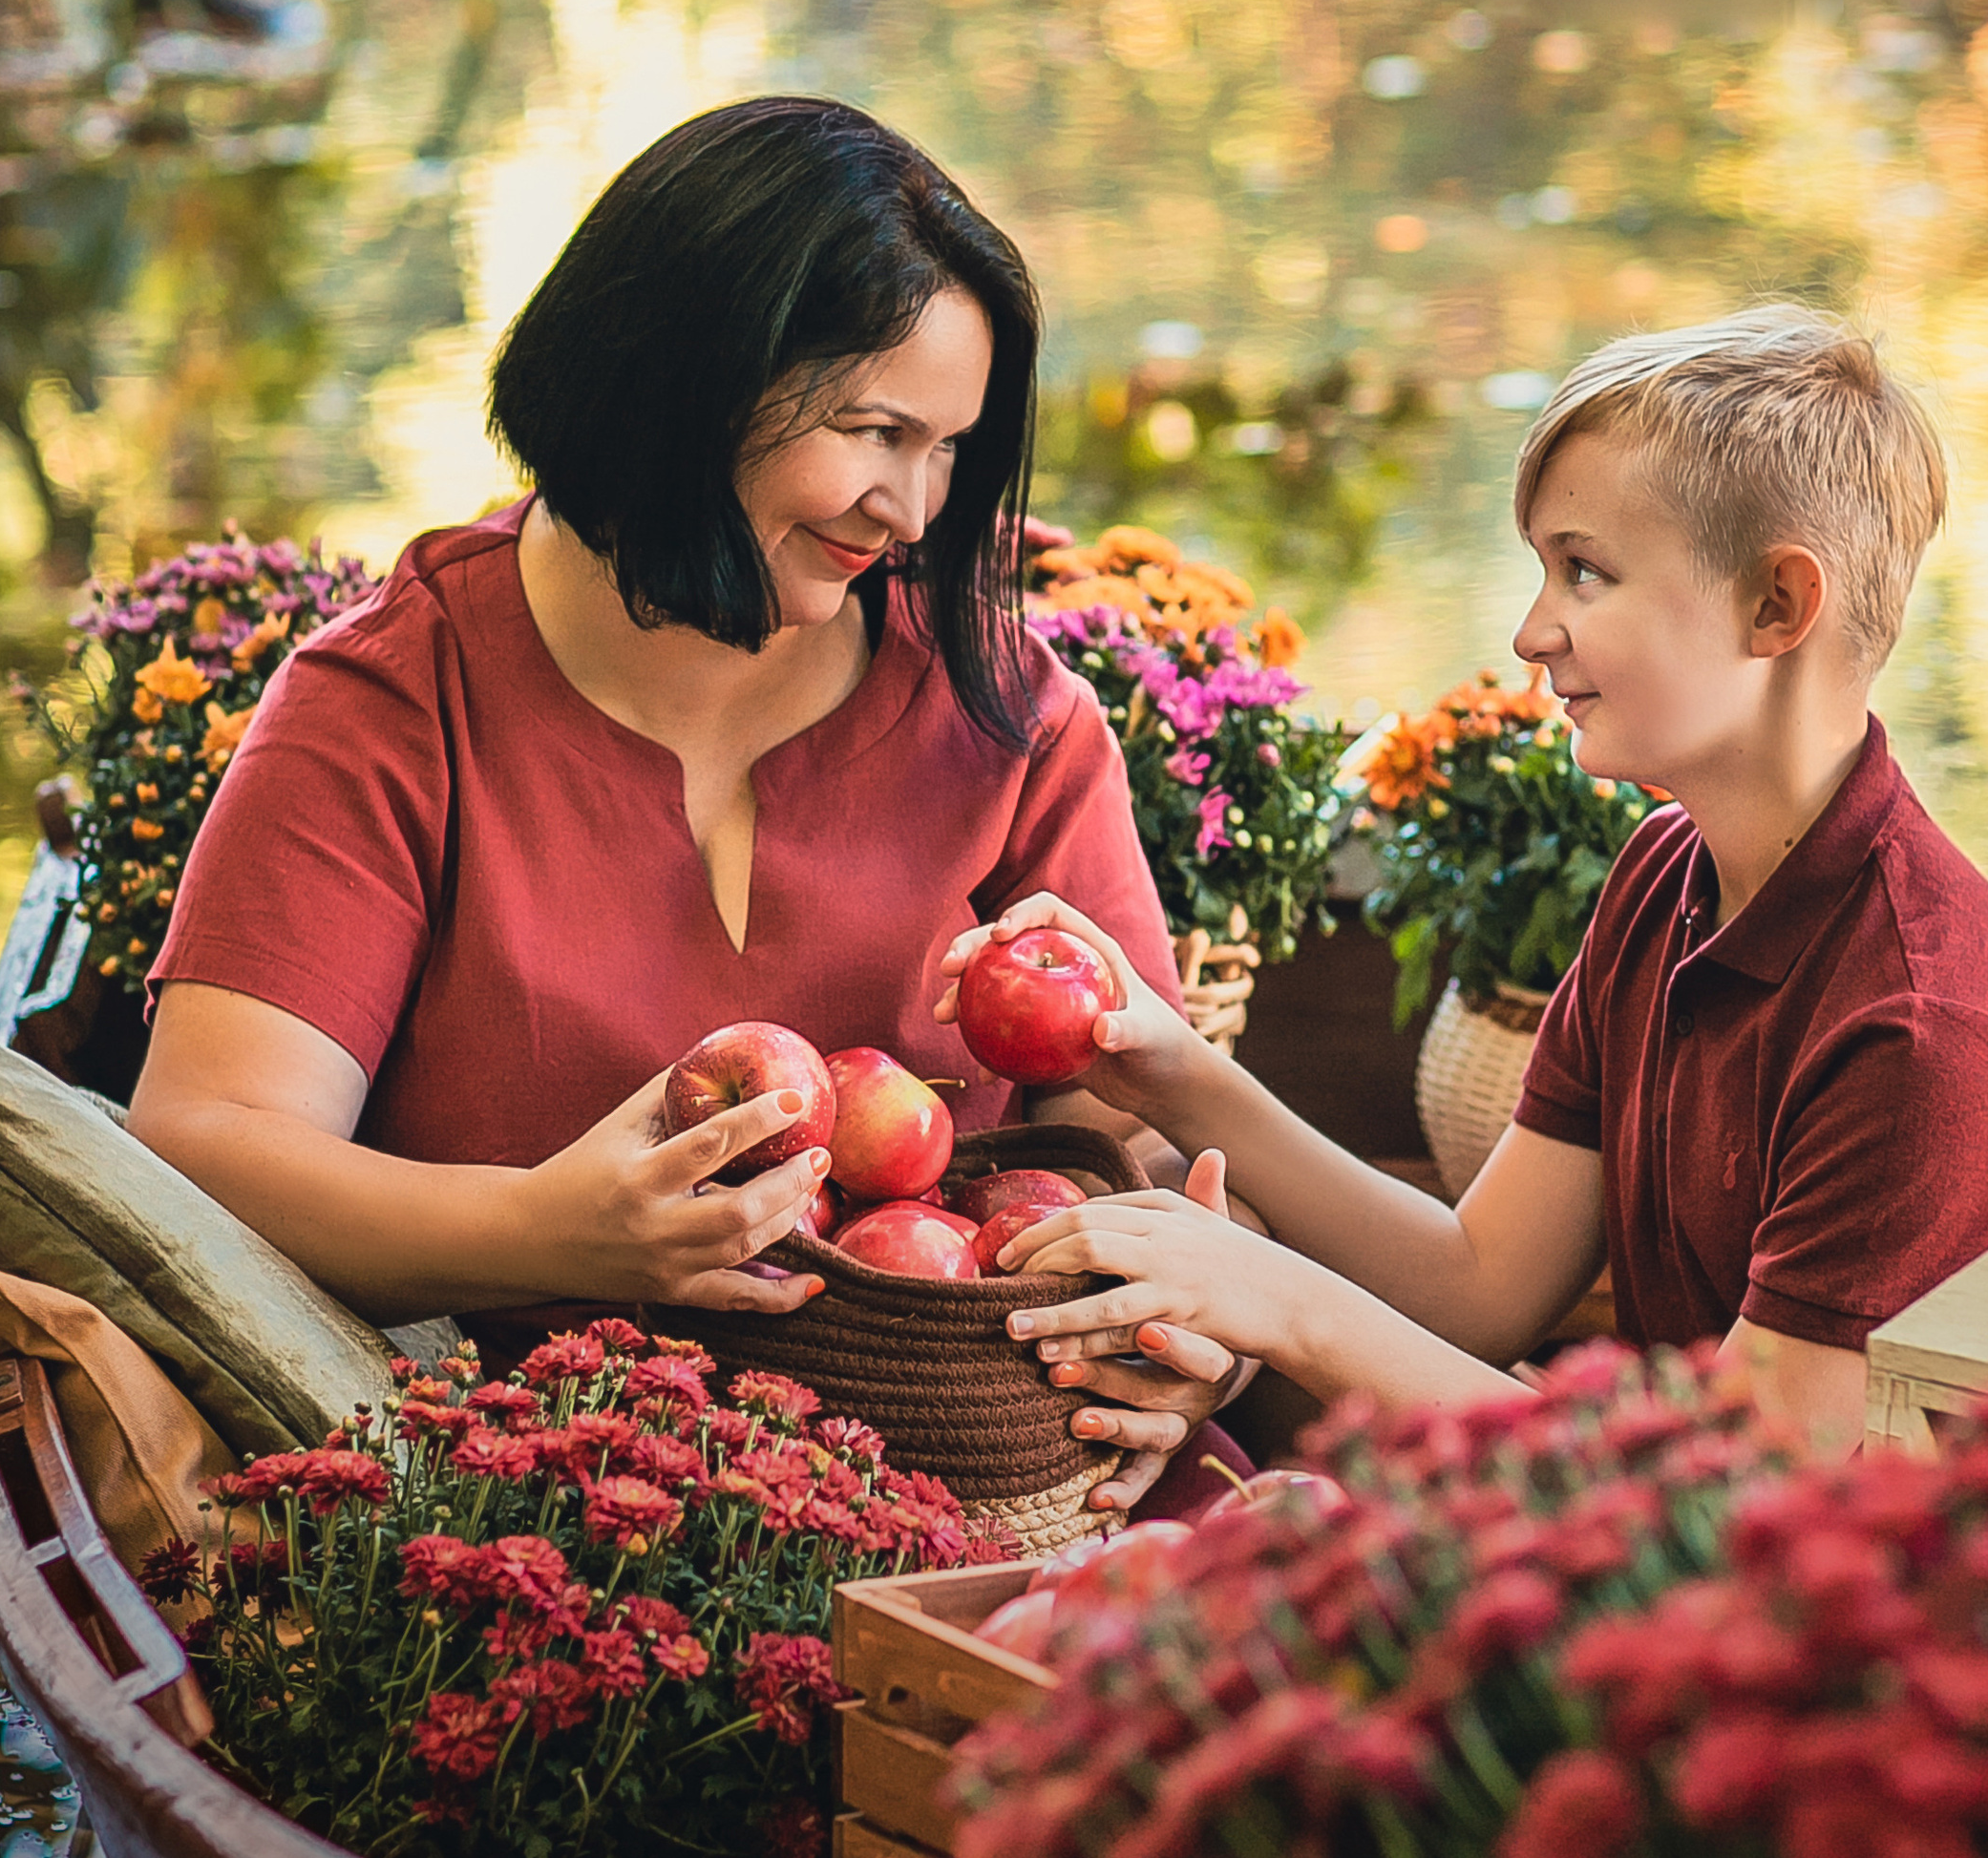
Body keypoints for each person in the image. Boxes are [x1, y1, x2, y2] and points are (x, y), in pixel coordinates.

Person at [131, 95, 1215, 1510]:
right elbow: (203, 1147)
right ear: (687, 381)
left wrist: (1199, 1351)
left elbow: (1145, 1158)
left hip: (996, 1471)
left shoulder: (1009, 716)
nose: (915, 509)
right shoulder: (396, 704)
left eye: (949, 448)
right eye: (877, 431)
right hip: (544, 1511)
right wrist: (542, 1232)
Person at [940, 305, 1988, 1456]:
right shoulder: (1667, 874)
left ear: (1776, 606)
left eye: (1583, 573)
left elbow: (1735, 1502)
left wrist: (1276, 1298)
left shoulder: (1919, 1031)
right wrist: (1170, 1074)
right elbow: (1478, 1282)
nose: (1530, 631)